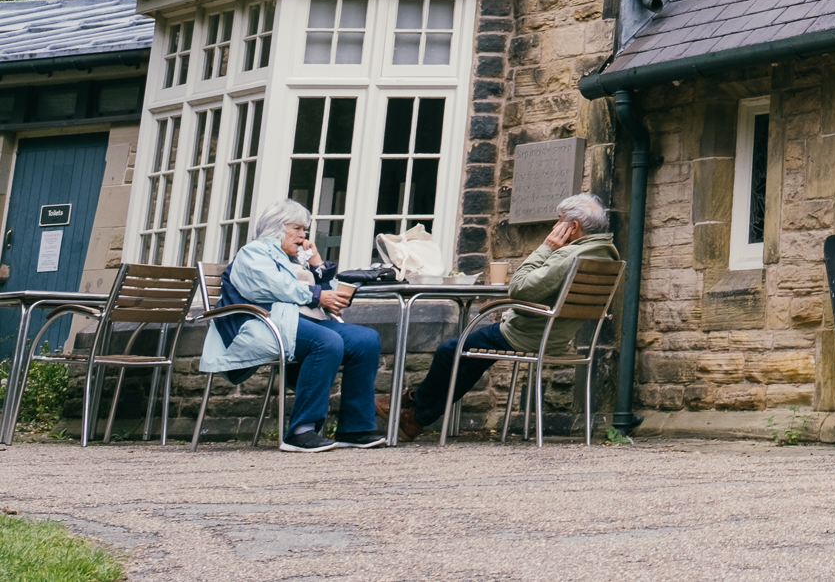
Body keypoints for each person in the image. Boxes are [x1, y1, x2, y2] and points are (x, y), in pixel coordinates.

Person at [402, 193, 619, 439]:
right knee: (474, 360)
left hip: (526, 335)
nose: (553, 227)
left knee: (449, 352)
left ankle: (414, 411)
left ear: (573, 226)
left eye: (559, 220)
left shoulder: (568, 256)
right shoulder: (607, 254)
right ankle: (415, 413)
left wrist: (546, 248)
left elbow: (518, 287)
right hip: (555, 337)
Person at [200, 200, 385, 451]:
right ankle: (301, 432)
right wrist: (316, 295)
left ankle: (354, 428)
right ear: (276, 228)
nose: (303, 236)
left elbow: (326, 294)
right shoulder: (253, 252)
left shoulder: (293, 259)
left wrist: (317, 264)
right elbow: (272, 287)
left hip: (302, 322)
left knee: (366, 340)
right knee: (326, 341)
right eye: (297, 228)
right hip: (261, 324)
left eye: (304, 230)